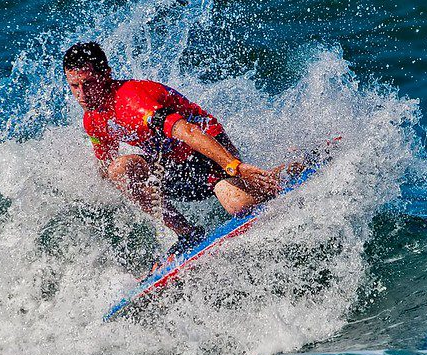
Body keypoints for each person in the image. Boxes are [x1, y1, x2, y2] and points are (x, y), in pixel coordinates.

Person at [64, 41, 303, 256]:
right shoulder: (92, 120)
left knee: (239, 205)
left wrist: (235, 166)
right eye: (75, 86)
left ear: (106, 75)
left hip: (205, 152)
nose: (82, 94)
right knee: (119, 170)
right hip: (172, 166)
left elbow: (188, 132)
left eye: (88, 83)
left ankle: (286, 172)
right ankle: (187, 233)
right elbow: (107, 168)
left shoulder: (131, 101)